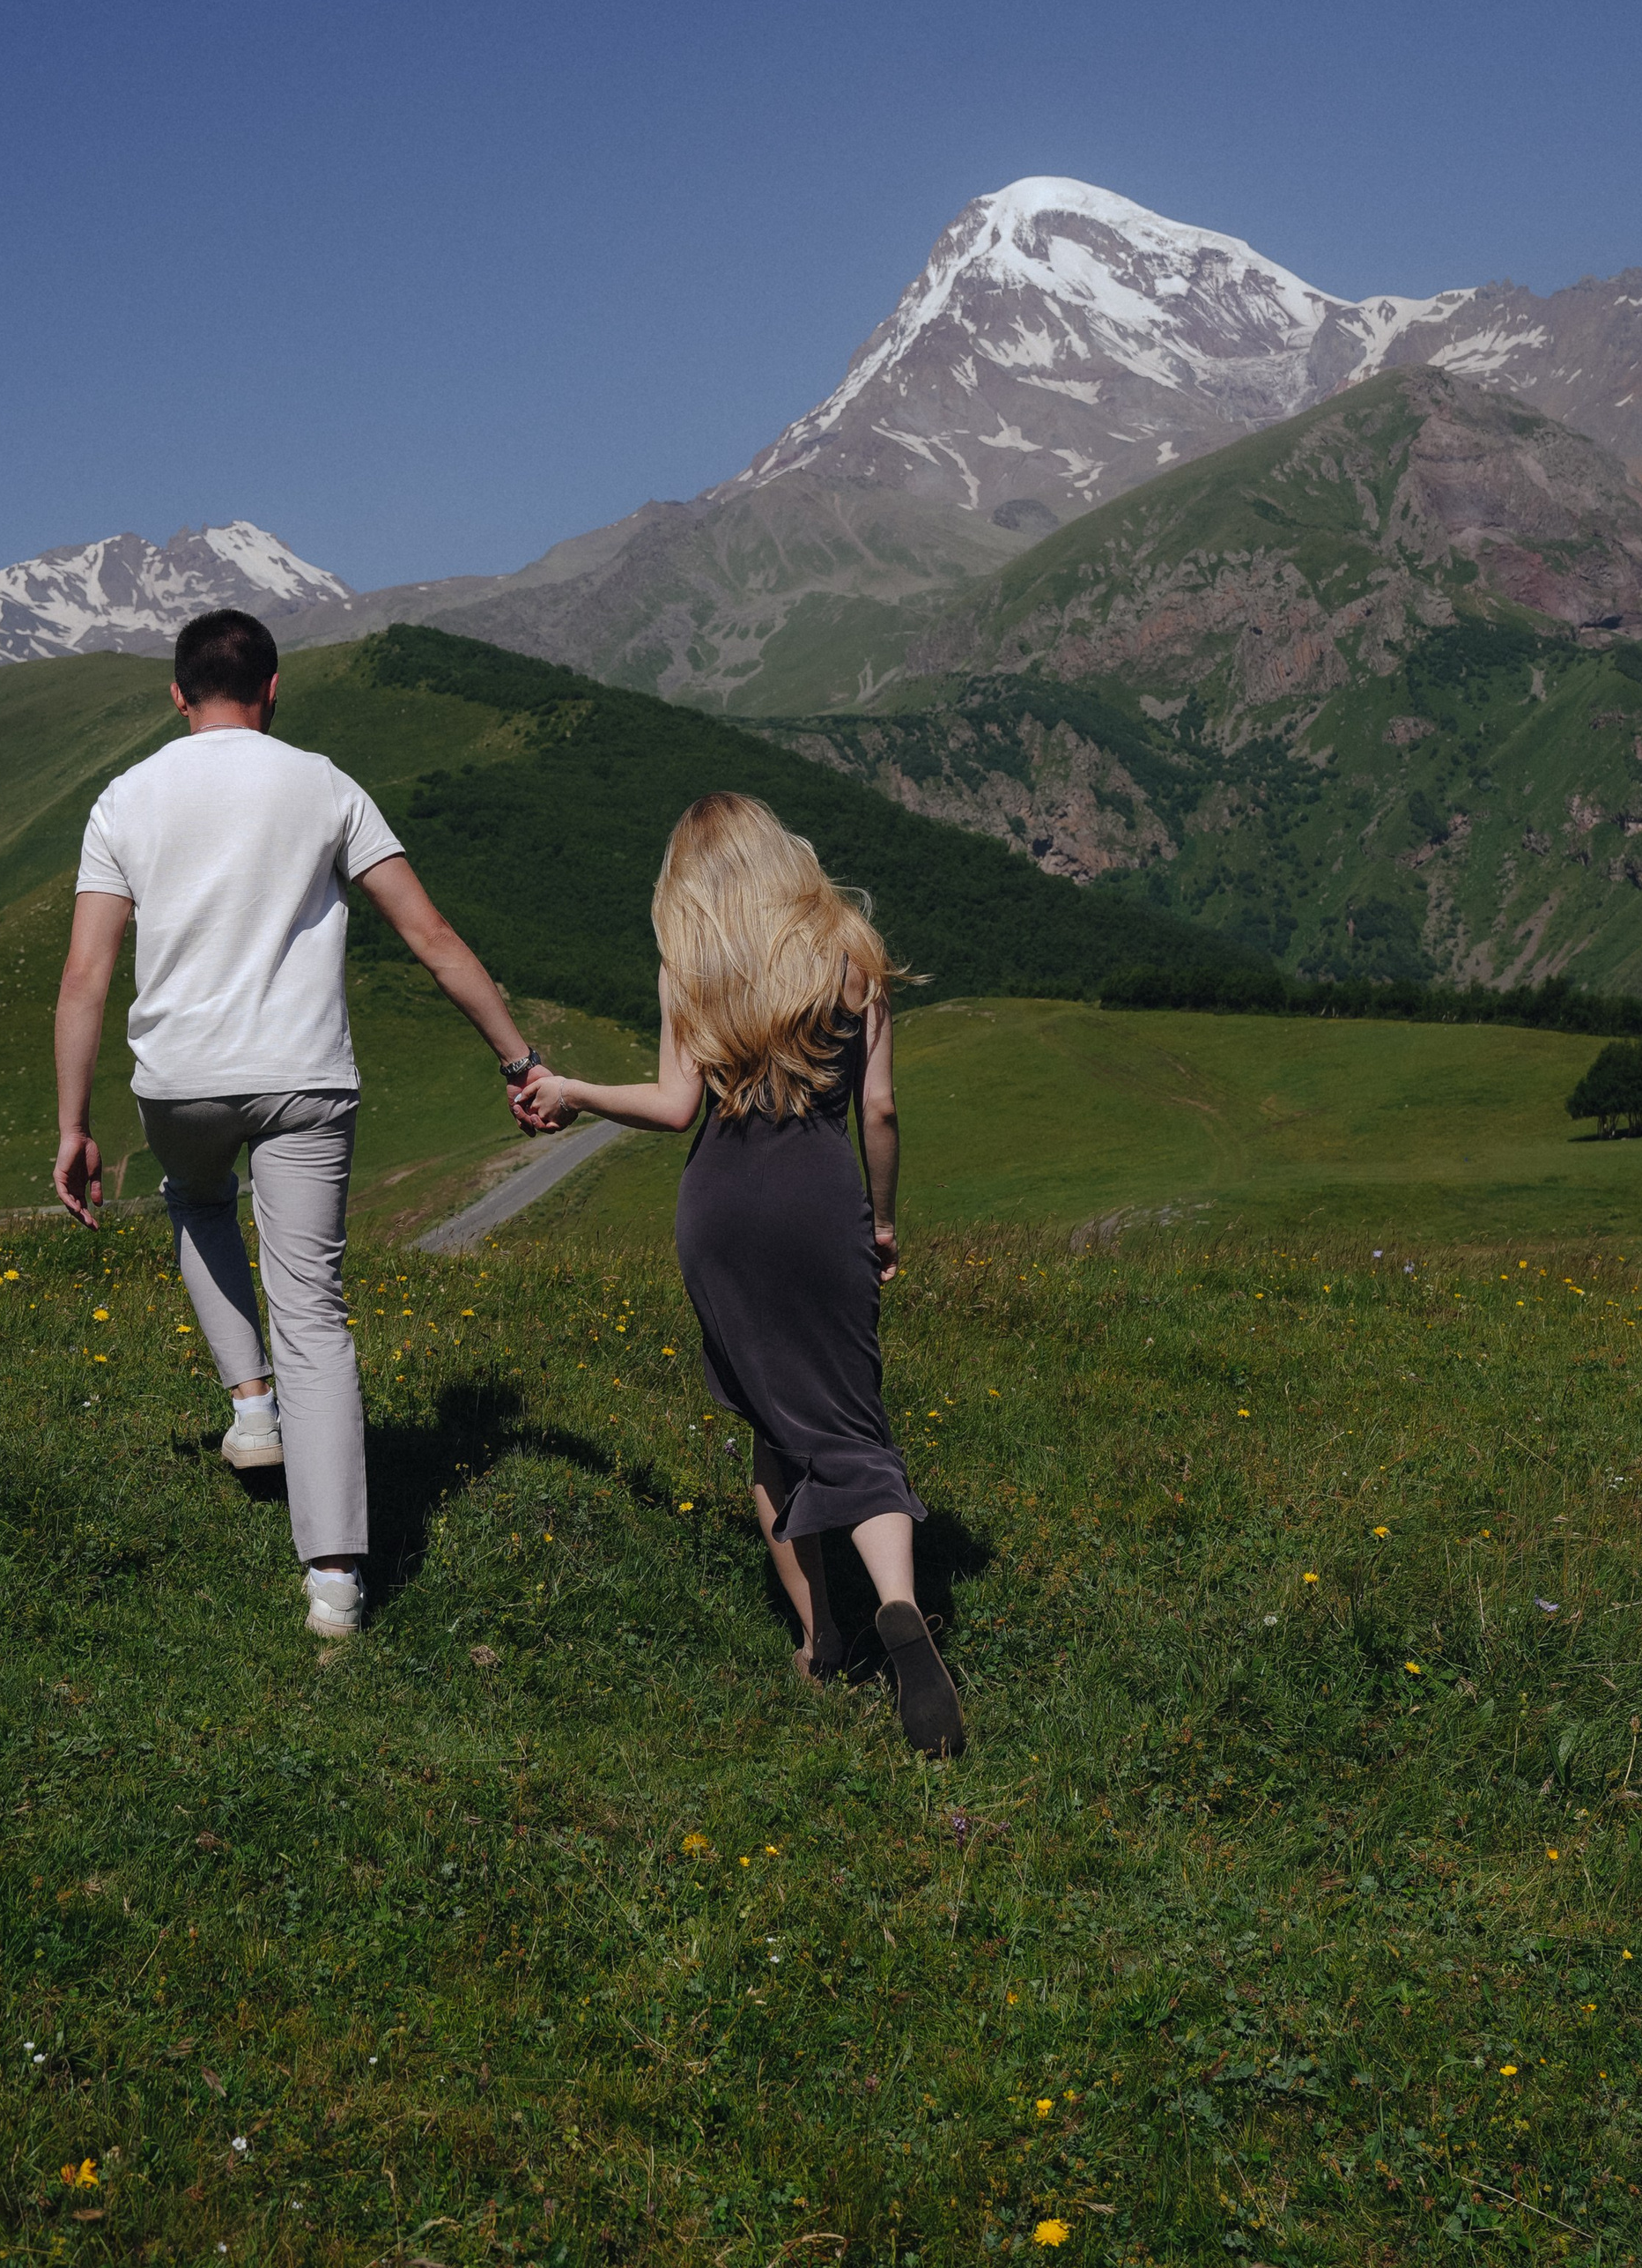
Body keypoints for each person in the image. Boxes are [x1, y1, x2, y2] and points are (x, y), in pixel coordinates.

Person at [52, 608, 545, 1638]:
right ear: (273, 687)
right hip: (306, 1080)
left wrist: (73, 1122)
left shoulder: (125, 797)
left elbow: (87, 974)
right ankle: (333, 1584)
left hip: (178, 1078)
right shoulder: (324, 782)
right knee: (313, 1308)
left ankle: (246, 1407)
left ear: (176, 695)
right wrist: (518, 1057)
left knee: (193, 1197)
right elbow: (431, 933)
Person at [517, 791, 964, 1757]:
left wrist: (572, 1090)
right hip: (819, 1196)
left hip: (718, 1211)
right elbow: (878, 1109)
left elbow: (676, 1106)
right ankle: (898, 1601)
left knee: (770, 1421)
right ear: (781, 855)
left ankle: (821, 1641)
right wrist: (882, 1218)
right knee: (850, 1420)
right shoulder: (850, 950)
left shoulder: (692, 963)